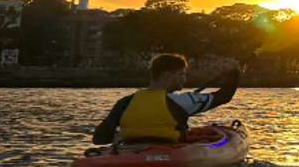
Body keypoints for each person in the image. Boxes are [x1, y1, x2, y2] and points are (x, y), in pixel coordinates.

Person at [91, 54, 241, 145]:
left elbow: (99, 138)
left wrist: (122, 137)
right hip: (169, 155)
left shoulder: (125, 102)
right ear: (169, 75)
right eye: (182, 74)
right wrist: (235, 75)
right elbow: (223, 96)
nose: (185, 78)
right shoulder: (182, 101)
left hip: (130, 152)